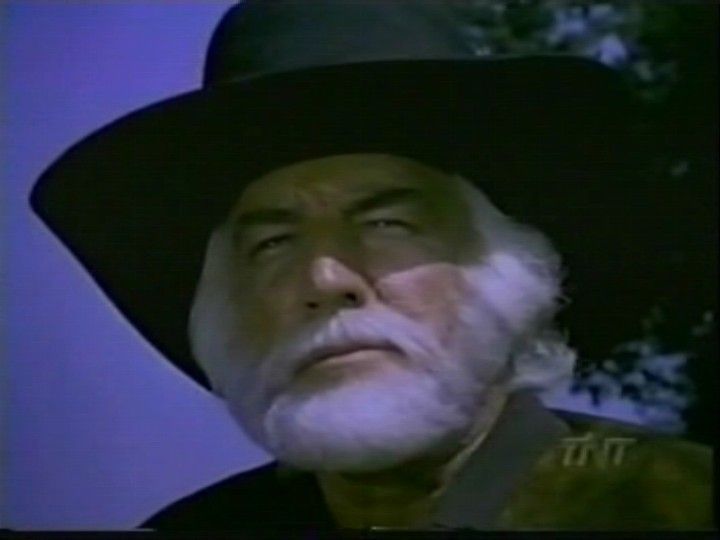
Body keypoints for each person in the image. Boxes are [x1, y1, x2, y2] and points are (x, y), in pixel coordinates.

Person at [30, 1, 713, 532]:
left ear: (507, 275)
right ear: (226, 310)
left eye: (386, 225)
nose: (326, 281)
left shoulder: (679, 505)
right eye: (273, 244)